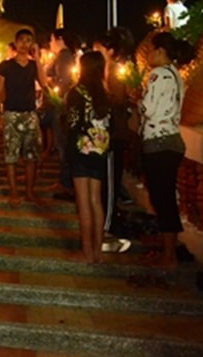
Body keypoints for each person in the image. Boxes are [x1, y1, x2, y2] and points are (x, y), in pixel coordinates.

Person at [138, 32, 194, 269]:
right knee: (165, 197)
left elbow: (149, 109)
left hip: (158, 143)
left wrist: (138, 100)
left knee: (163, 199)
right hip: (172, 140)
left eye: (151, 50)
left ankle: (169, 255)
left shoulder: (158, 74)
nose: (149, 55)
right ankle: (168, 250)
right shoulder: (176, 76)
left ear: (160, 51)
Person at [65, 51, 111, 263]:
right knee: (96, 200)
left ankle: (86, 251)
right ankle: (98, 251)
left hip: (81, 148)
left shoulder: (77, 92)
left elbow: (73, 123)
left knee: (83, 201)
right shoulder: (104, 92)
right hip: (100, 149)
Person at [0, 29, 47, 204]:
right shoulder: (6, 65)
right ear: (15, 43)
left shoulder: (33, 66)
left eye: (28, 41)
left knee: (31, 155)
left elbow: (44, 83)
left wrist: (38, 58)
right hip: (11, 113)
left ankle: (30, 192)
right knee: (11, 155)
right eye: (21, 41)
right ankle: (14, 192)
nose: (25, 44)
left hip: (29, 113)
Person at [93, 27, 136, 233]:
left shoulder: (117, 71)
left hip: (115, 132)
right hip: (106, 133)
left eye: (98, 49)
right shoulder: (106, 70)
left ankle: (108, 224)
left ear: (109, 51)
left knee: (110, 181)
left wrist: (103, 93)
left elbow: (118, 100)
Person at [46, 28, 79, 201]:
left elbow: (63, 80)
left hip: (61, 105)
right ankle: (64, 181)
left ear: (59, 39)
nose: (50, 44)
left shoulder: (64, 57)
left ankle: (67, 184)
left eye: (51, 40)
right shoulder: (62, 56)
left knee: (63, 145)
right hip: (58, 103)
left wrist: (48, 81)